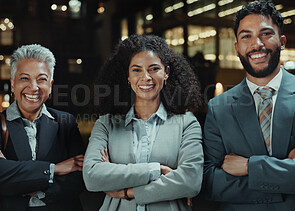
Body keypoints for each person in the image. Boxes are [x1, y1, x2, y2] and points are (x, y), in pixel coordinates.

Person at [202, 0, 295, 210]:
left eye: (266, 33)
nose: (257, 44)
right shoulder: (219, 107)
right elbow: (208, 182)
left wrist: (250, 167)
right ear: (237, 48)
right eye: (247, 36)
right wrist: (290, 166)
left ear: (282, 41)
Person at [82, 34, 204, 211]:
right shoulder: (107, 123)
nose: (146, 77)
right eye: (137, 70)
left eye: (154, 69)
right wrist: (157, 170)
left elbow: (191, 182)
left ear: (166, 72)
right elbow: (92, 177)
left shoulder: (186, 123)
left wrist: (127, 191)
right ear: (128, 76)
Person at [0, 44, 85, 211]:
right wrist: (55, 169)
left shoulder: (65, 122)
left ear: (51, 85)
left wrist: (13, 179)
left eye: (41, 79)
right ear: (12, 84)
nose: (33, 87)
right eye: (24, 78)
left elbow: (79, 178)